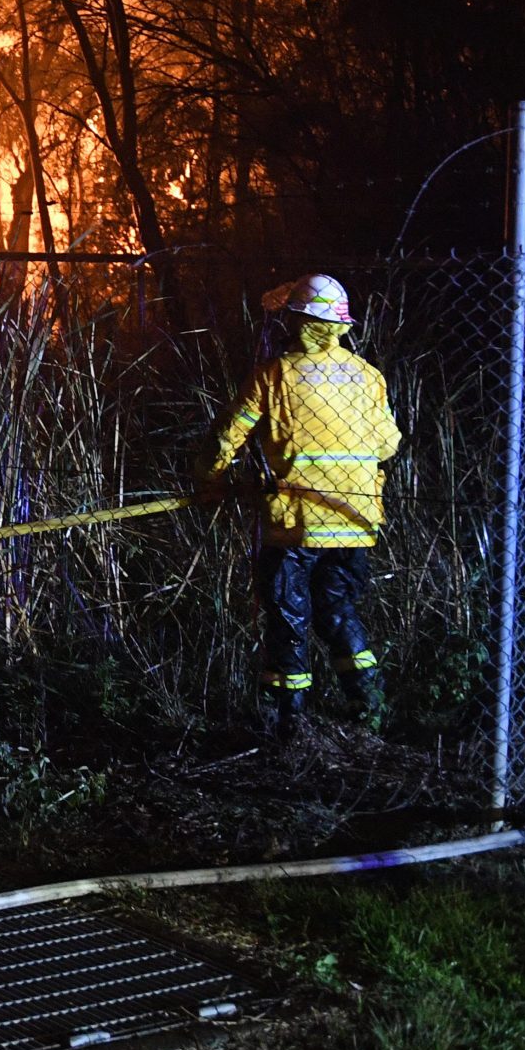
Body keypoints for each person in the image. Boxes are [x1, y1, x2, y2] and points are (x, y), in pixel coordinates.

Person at [199, 274, 403, 741]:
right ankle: (367, 707)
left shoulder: (275, 376)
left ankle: (289, 723)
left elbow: (229, 435)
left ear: (296, 320)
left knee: (288, 617)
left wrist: (208, 482)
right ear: (339, 325)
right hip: (355, 523)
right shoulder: (367, 376)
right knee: (338, 610)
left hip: (294, 527)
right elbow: (388, 445)